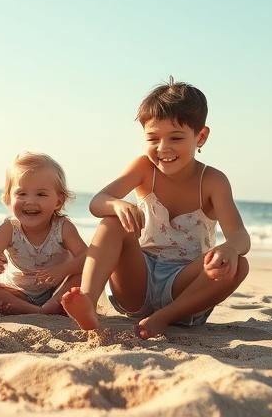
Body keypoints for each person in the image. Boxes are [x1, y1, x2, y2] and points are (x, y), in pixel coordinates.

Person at [61, 79, 250, 338]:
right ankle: (88, 303)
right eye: (153, 138)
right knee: (111, 221)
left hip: (186, 288)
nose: (163, 148)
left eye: (176, 137)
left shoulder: (213, 181)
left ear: (201, 137)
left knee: (239, 264)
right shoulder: (143, 168)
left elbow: (240, 236)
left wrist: (228, 248)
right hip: (138, 281)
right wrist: (116, 204)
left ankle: (163, 318)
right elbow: (97, 202)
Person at [0, 152, 87, 315]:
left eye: (41, 194)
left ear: (58, 201)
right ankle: (36, 310)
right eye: (21, 194)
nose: (30, 201)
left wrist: (63, 270)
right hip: (20, 293)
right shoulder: (8, 229)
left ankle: (52, 305)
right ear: (8, 198)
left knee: (82, 277)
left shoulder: (63, 227)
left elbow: (88, 257)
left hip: (58, 290)